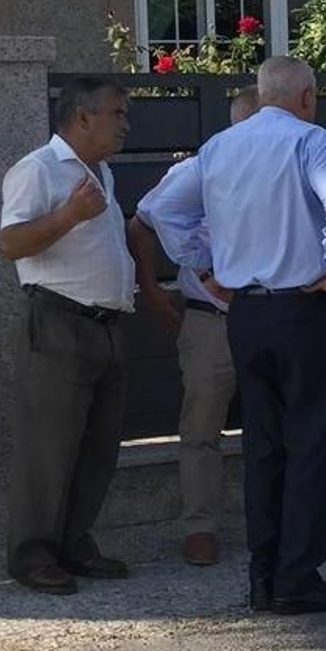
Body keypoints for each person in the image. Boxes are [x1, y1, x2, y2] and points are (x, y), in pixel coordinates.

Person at [143, 56, 326, 614]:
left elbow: (157, 207)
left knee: (264, 444)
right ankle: (298, 576)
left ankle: (262, 575)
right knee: (311, 441)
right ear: (308, 96)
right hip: (301, 307)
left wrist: (206, 263)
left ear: (262, 95)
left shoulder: (219, 147)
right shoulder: (311, 141)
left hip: (244, 314)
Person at [0, 76, 135, 595]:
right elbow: (10, 243)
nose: (125, 124)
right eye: (117, 113)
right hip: (58, 323)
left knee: (98, 446)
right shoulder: (37, 169)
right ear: (83, 117)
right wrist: (68, 215)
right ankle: (32, 556)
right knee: (49, 448)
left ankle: (74, 542)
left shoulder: (100, 172)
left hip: (105, 326)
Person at [128, 86, 260, 567]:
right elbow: (142, 223)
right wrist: (154, 287)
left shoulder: (288, 172)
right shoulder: (196, 172)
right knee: (201, 426)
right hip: (211, 319)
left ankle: (278, 517)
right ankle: (200, 526)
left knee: (278, 420)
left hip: (271, 314)